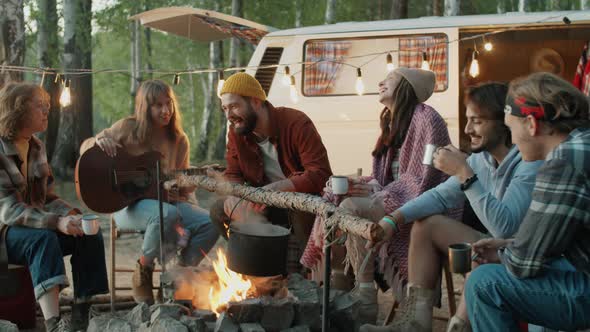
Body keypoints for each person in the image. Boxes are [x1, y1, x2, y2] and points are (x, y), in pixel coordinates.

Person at [358, 82, 543, 332]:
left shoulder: (528, 163)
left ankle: (458, 327)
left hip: (525, 256)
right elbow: (440, 197)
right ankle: (415, 323)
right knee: (426, 224)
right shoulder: (483, 160)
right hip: (498, 247)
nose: (467, 129)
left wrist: (463, 172)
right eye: (467, 120)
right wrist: (393, 219)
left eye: (477, 121)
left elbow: (504, 227)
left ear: (504, 122)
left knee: (480, 254)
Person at [301, 67, 453, 325]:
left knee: (349, 206)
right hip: (393, 197)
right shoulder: (392, 123)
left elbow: (423, 179)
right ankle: (339, 289)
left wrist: (378, 192)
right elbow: (384, 180)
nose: (381, 82)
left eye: (390, 79)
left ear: (407, 87)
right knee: (331, 206)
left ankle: (364, 295)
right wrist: (362, 184)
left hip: (422, 203)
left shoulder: (427, 119)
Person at [464, 73, 590, 332]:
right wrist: (508, 246)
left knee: (483, 283)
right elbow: (551, 242)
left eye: (511, 128)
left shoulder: (564, 161)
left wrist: (504, 254)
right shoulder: (581, 143)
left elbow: (524, 264)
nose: (511, 139)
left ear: (531, 124)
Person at [80, 79, 218, 304]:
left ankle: (177, 276)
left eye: (169, 103)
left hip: (166, 204)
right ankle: (142, 272)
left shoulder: (180, 140)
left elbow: (184, 183)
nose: (166, 110)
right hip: (124, 206)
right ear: (145, 107)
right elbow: (85, 148)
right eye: (158, 105)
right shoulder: (127, 128)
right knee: (166, 214)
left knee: (212, 222)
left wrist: (190, 184)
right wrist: (99, 140)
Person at [0, 82, 109, 332]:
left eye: (48, 106)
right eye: (40, 106)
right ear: (18, 110)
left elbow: (47, 198)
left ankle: (82, 312)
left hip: (32, 226)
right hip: (5, 232)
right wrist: (55, 222)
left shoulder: (36, 146)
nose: (47, 111)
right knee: (43, 239)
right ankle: (54, 323)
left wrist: (70, 215)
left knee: (88, 232)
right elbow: (8, 211)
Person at [209, 72, 332, 271]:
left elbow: (320, 173)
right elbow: (233, 174)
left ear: (256, 102)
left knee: (300, 210)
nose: (228, 115)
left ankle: (305, 277)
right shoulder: (236, 132)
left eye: (234, 106)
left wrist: (274, 190)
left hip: (301, 203)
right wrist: (235, 196)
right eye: (225, 108)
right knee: (218, 210)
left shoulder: (296, 123)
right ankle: (258, 268)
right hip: (262, 205)